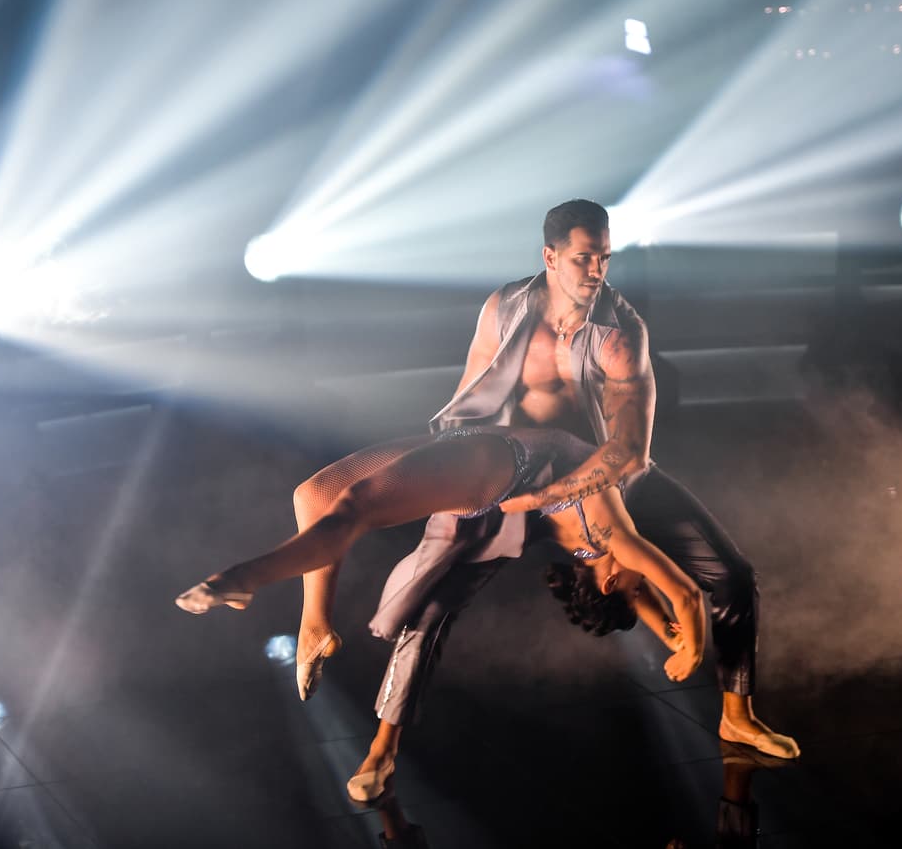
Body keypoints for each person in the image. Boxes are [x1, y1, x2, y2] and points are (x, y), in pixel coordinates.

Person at [323, 199, 797, 802]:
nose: (596, 269)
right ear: (550, 257)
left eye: (603, 256)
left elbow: (626, 450)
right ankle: (380, 752)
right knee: (431, 605)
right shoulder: (504, 308)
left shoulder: (621, 332)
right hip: (511, 476)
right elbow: (469, 401)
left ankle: (738, 713)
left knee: (731, 575)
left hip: (603, 478)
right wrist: (470, 481)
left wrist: (554, 495)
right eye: (582, 258)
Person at [175, 424, 709, 692]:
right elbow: (653, 602)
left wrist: (690, 650)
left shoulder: (617, 539)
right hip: (477, 443)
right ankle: (315, 624)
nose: (648, 586)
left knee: (355, 509)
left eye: (641, 590)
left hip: (498, 463)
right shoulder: (605, 555)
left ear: (614, 580)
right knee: (312, 497)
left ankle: (244, 577)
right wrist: (673, 636)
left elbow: (683, 594)